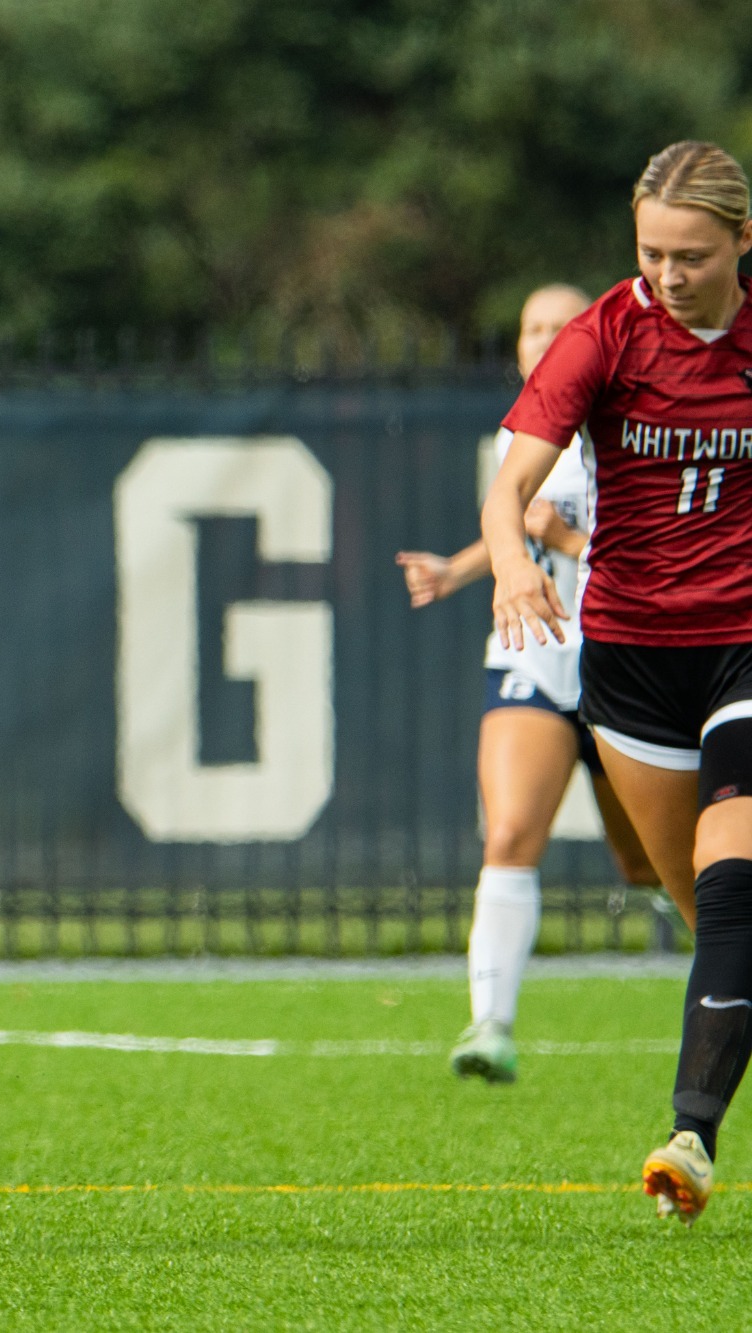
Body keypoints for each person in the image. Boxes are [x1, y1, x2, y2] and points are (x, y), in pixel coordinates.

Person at [486, 140, 752, 1223]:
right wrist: (509, 561)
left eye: (690, 255)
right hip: (631, 657)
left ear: (740, 241)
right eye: (650, 253)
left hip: (742, 639)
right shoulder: (604, 331)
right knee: (709, 914)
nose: (668, 275)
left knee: (733, 879)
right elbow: (511, 483)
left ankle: (687, 1135)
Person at [396, 285, 660, 1085]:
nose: (545, 339)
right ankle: (490, 1024)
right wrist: (461, 567)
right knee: (509, 833)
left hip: (634, 667)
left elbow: (642, 553)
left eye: (561, 325)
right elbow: (515, 522)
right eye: (531, 327)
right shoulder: (523, 432)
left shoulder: (645, 426)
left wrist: (569, 538)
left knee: (653, 864)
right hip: (534, 661)